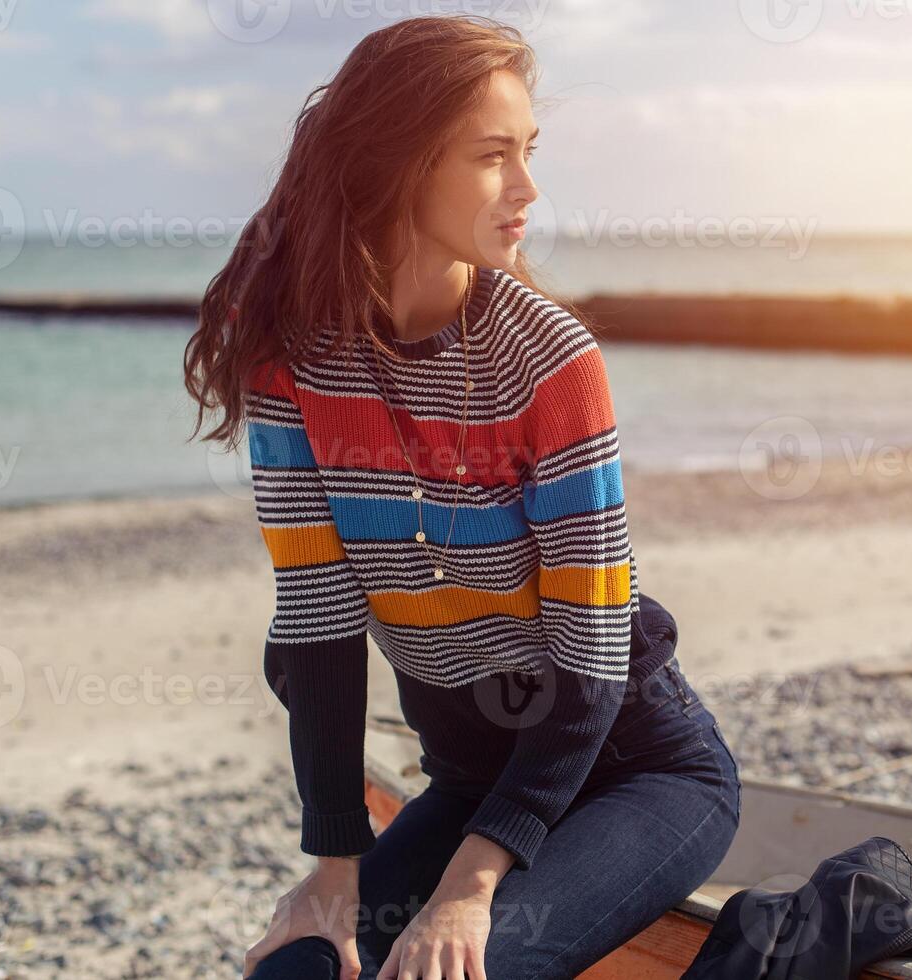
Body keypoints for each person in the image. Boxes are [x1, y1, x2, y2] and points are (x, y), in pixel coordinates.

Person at [183, 15, 741, 979]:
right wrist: (333, 868)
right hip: (474, 775)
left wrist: (469, 888)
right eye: (493, 157)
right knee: (292, 971)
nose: (527, 189)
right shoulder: (294, 368)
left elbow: (596, 653)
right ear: (397, 163)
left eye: (528, 153)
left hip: (633, 768)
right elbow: (315, 625)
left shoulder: (550, 362)